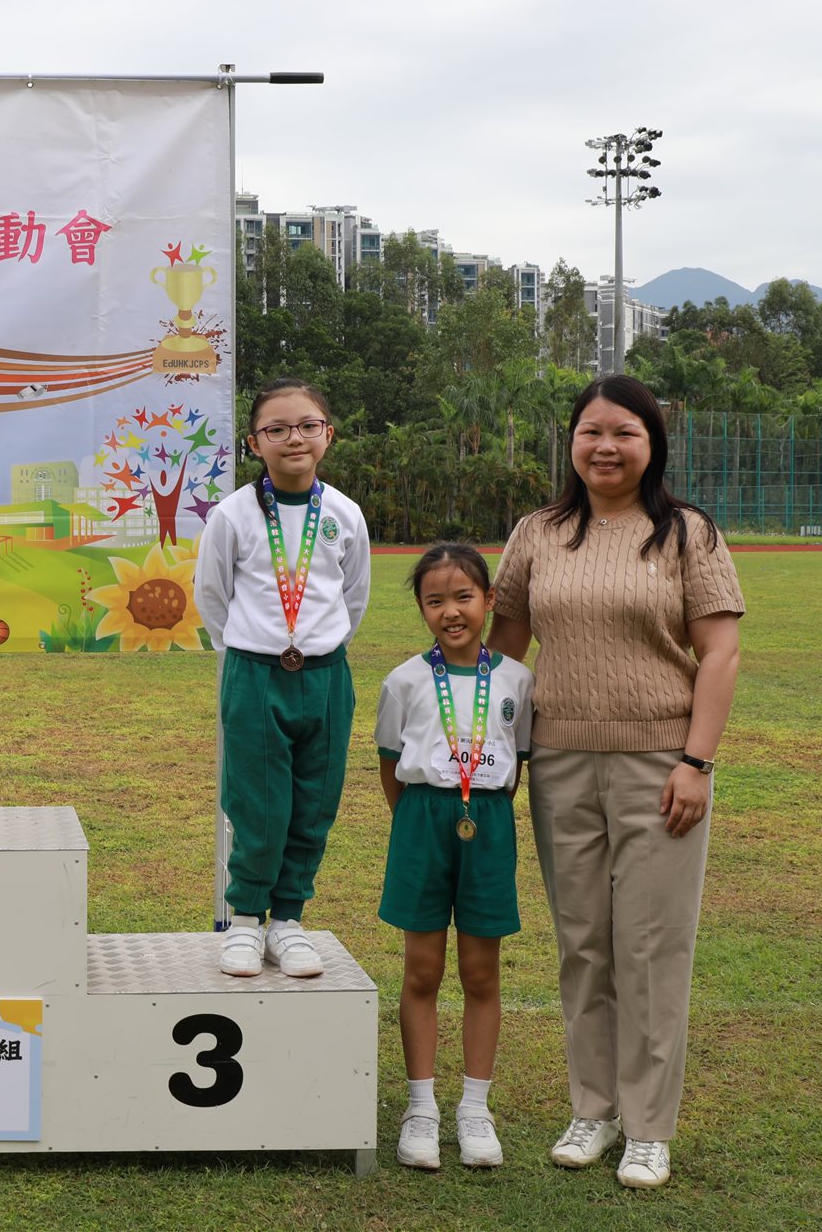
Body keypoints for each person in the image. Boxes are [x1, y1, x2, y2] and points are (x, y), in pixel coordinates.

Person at [487, 375, 744, 1191]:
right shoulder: (537, 532)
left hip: (661, 767)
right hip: (558, 762)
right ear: (571, 441)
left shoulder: (688, 533)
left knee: (651, 945)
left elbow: (720, 653)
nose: (606, 446)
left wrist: (696, 762)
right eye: (591, 431)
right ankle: (592, 1110)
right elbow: (503, 650)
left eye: (624, 432)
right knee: (584, 943)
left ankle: (649, 1127)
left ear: (652, 443)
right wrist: (483, 753)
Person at [194, 378, 371, 978]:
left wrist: (318, 645)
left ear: (328, 434)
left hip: (325, 677)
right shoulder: (233, 515)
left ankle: (288, 922)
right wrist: (251, 650)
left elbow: (353, 596)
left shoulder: (344, 514)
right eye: (277, 429)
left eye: (307, 426)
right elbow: (213, 596)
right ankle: (246, 921)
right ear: (254, 443)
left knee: (314, 804)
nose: (294, 438)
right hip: (255, 675)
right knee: (257, 803)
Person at [375, 543, 534, 1170]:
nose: (450, 611)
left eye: (464, 597)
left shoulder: (517, 680)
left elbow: (518, 763)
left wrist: (476, 810)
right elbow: (391, 767)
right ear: (421, 609)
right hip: (422, 822)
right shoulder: (404, 681)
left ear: (489, 601)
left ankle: (474, 1108)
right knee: (421, 971)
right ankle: (421, 1109)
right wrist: (424, 819)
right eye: (434, 600)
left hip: (487, 824)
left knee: (480, 972)